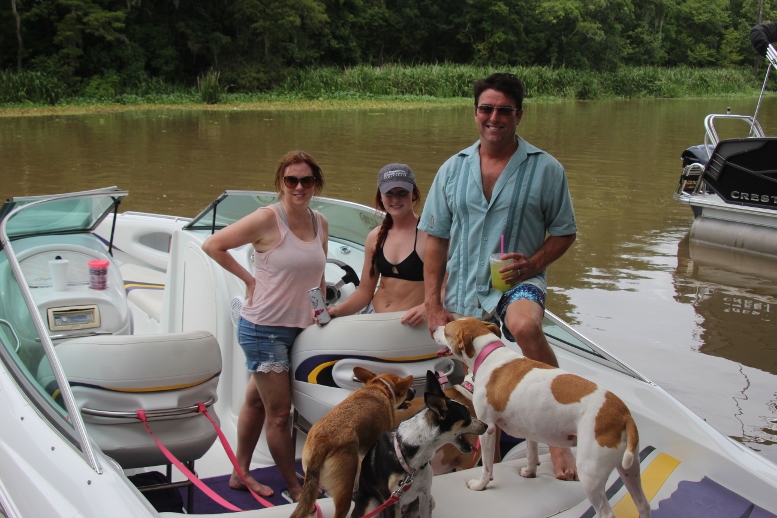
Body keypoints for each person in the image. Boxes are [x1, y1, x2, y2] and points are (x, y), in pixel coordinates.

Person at [419, 72, 579, 480]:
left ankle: (559, 439)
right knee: (468, 383)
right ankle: (476, 448)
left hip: (517, 281)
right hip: (464, 287)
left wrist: (532, 264)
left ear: (519, 115)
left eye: (504, 110)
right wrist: (433, 304)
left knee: (524, 325)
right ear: (475, 113)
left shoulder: (546, 169)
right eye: (486, 109)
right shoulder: (452, 170)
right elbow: (435, 239)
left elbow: (565, 232)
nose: (494, 117)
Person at [201, 150, 329, 502]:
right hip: (264, 328)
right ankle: (295, 485)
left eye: (306, 180)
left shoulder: (320, 222)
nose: (299, 186)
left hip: (301, 328)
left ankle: (239, 473)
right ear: (281, 183)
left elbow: (318, 275)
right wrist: (249, 280)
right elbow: (213, 245)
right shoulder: (267, 218)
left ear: (315, 182)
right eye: (291, 180)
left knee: (257, 403)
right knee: (279, 414)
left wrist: (321, 312)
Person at [326, 163, 427, 327]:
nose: (395, 199)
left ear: (414, 193)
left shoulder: (429, 236)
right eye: (389, 193)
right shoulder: (376, 237)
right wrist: (336, 311)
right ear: (380, 196)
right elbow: (364, 292)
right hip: (373, 317)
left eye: (402, 192)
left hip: (410, 325)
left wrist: (427, 307)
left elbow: (446, 289)